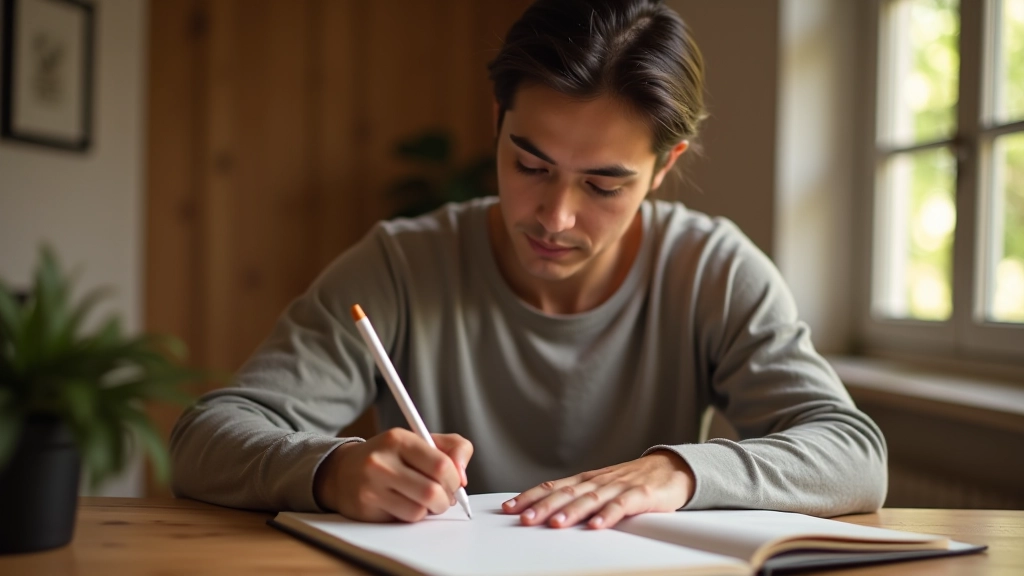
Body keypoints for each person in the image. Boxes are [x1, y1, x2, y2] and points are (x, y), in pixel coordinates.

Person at [170, 0, 887, 530]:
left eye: (604, 185)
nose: (555, 216)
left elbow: (854, 453)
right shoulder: (400, 265)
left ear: (664, 167)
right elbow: (204, 439)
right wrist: (329, 472)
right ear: (497, 122)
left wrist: (678, 472)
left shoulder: (711, 271)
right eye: (529, 164)